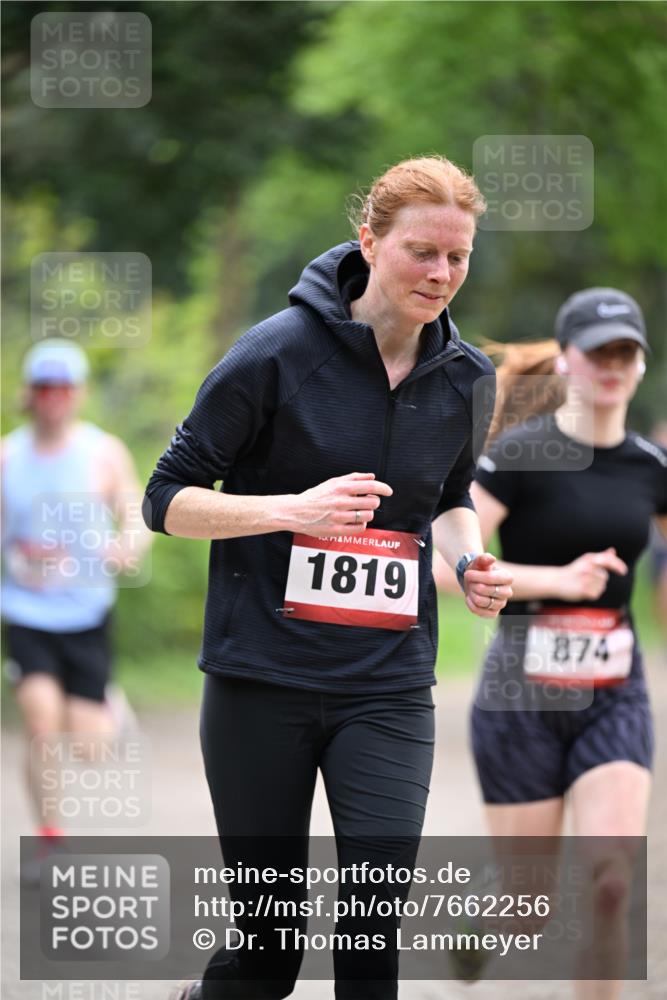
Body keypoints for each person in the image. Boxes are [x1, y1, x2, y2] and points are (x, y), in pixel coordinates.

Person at [142, 155, 513, 1000]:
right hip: (258, 681)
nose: (440, 273)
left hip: (384, 686)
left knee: (372, 926)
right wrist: (289, 510)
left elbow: (449, 495)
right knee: (268, 955)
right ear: (369, 242)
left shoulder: (466, 378)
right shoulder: (275, 354)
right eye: (422, 251)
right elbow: (165, 500)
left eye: (457, 257)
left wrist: (468, 557)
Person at [455, 288, 666, 996]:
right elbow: (443, 561)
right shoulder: (520, 455)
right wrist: (560, 579)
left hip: (614, 691)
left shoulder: (649, 468)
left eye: (624, 352)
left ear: (639, 366)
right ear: (567, 360)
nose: (612, 364)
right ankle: (482, 924)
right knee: (526, 909)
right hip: (521, 695)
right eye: (598, 350)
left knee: (610, 880)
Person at [1, 338, 151, 877]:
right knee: (42, 726)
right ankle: (48, 842)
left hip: (86, 612)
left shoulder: (102, 452)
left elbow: (135, 510)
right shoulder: (8, 456)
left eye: (63, 388)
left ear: (78, 393)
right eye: (44, 388)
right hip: (26, 613)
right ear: (31, 393)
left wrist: (129, 544)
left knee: (89, 746)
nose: (54, 398)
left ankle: (106, 705)